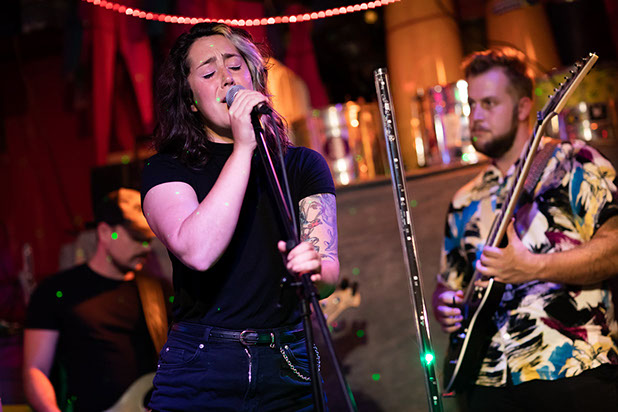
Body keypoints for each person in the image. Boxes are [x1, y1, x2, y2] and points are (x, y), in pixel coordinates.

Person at [140, 22, 339, 411]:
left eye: (234, 66)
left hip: (288, 362)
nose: (226, 78)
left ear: (255, 79)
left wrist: (317, 268)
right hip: (202, 366)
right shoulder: (167, 169)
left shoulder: (302, 165)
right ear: (191, 100)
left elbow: (328, 272)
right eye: (209, 73)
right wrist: (243, 148)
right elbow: (197, 251)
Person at [432, 48, 618, 411]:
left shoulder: (574, 163)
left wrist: (533, 267)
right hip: (485, 381)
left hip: (571, 368)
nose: (476, 116)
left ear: (522, 108)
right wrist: (446, 304)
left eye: (489, 103)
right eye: (472, 104)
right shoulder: (463, 199)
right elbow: (448, 282)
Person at [23, 188, 168, 412]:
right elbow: (36, 369)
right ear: (105, 232)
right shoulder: (55, 291)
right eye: (137, 238)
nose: (145, 247)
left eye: (148, 239)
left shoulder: (159, 291)